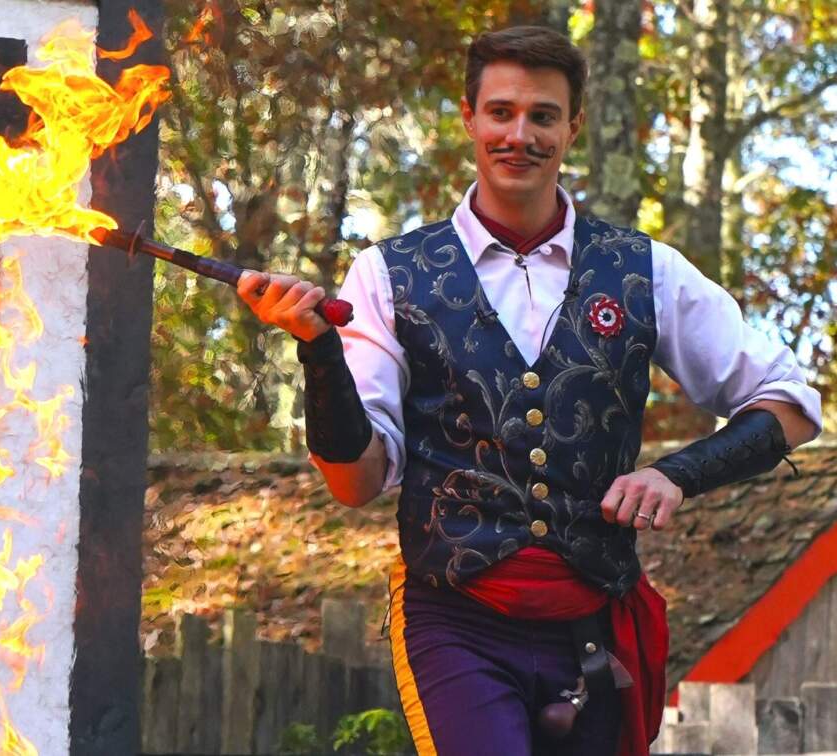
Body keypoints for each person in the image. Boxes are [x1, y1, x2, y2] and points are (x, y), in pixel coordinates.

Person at [237, 25, 821, 756]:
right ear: (469, 118)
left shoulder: (646, 269)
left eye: (542, 115)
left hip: (594, 623)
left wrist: (676, 473)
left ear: (573, 126)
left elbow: (791, 406)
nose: (521, 134)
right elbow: (356, 482)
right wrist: (318, 354)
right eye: (502, 112)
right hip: (457, 619)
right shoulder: (389, 275)